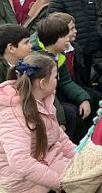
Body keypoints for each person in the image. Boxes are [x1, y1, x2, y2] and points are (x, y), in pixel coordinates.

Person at [0, 51, 76, 193]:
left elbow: (59, 138)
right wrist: (58, 183)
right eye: (55, 77)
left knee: (95, 172)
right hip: (26, 182)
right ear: (43, 83)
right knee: (93, 183)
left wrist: (82, 156)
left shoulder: (43, 103)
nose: (57, 81)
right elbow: (20, 162)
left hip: (49, 162)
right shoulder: (12, 116)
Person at [30, 13, 94, 143]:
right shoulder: (40, 60)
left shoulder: (59, 55)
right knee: (70, 112)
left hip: (54, 94)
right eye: (64, 36)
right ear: (54, 39)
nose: (68, 39)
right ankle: (69, 145)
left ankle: (87, 140)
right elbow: (44, 93)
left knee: (89, 98)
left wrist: (83, 98)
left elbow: (65, 81)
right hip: (43, 101)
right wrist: (60, 119)